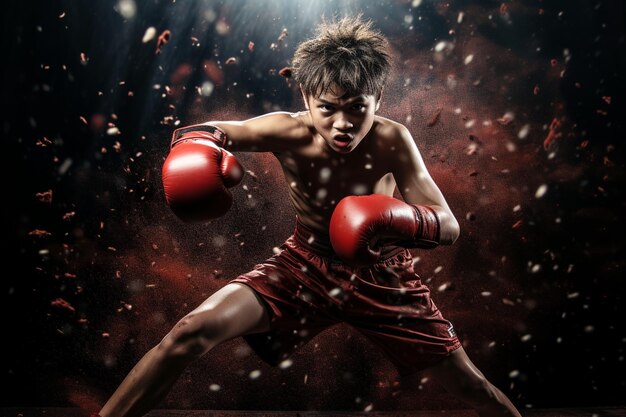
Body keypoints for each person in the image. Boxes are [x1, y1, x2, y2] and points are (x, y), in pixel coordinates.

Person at [94, 16, 522, 417]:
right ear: (305, 98)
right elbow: (203, 132)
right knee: (189, 332)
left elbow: (448, 225)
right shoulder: (288, 130)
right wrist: (200, 152)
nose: (342, 124)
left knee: (475, 388)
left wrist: (395, 218)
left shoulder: (394, 139)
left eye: (357, 108)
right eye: (328, 108)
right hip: (303, 268)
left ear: (378, 99)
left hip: (382, 278)